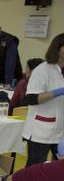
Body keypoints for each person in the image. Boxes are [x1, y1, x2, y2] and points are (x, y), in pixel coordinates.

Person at [23, 33, 64, 166]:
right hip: (41, 129)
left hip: (61, 130)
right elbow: (32, 98)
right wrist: (59, 91)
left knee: (58, 170)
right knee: (35, 168)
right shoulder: (43, 70)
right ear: (58, 48)